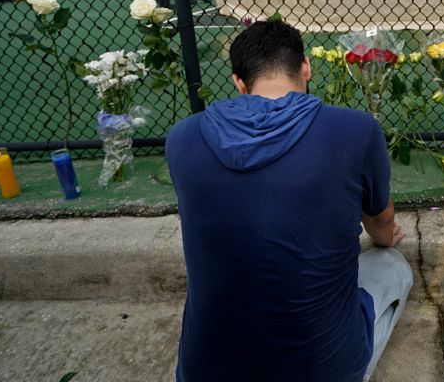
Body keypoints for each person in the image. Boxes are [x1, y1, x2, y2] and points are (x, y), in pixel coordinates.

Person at [167, 20, 413, 382]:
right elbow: (379, 224)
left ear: (239, 82)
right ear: (305, 68)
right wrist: (385, 238)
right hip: (323, 371)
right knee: (391, 262)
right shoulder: (355, 130)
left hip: (203, 373)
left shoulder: (182, 137)